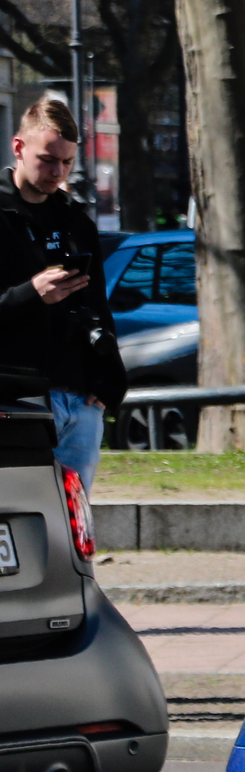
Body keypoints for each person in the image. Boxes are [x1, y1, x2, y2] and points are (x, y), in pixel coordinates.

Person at [0, 97, 118, 493]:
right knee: (20, 515)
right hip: (16, 400)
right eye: (48, 159)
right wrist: (31, 294)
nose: (58, 172)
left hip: (79, 400)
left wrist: (106, 383)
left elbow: (98, 304)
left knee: (74, 527)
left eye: (67, 162)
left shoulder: (74, 219)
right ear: (18, 148)